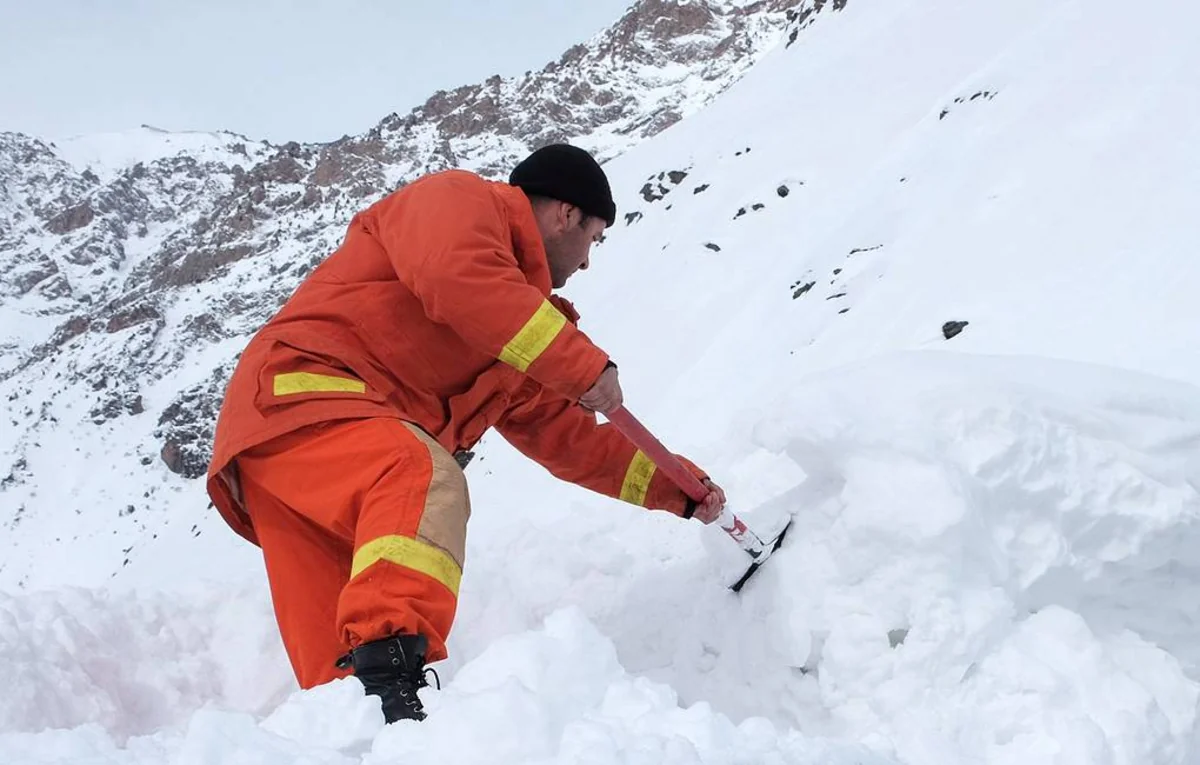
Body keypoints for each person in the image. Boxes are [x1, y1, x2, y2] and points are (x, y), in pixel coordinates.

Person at [204, 143, 727, 723]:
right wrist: (583, 365)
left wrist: (679, 487)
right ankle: (393, 673)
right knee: (421, 474)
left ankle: (368, 729)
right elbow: (456, 278)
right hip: (311, 393)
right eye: (594, 239)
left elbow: (568, 438)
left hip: (284, 455)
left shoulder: (513, 330)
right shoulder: (457, 202)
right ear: (566, 214)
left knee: (342, 676)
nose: (586, 264)